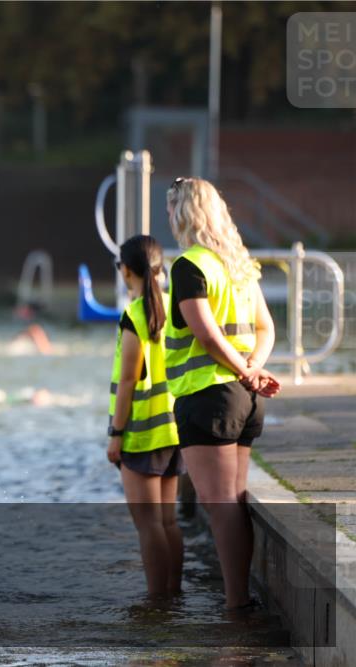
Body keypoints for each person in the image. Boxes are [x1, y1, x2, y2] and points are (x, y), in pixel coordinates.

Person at [164, 177, 280, 609]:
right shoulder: (238, 265)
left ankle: (236, 604)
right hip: (245, 400)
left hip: (207, 398)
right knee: (234, 499)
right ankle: (240, 599)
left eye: (172, 209)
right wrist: (252, 370)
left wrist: (242, 371)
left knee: (221, 506)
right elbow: (267, 328)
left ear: (182, 214)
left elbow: (207, 337)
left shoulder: (189, 265)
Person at [106, 235, 183, 599]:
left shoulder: (135, 315)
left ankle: (156, 604)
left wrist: (115, 434)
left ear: (126, 270)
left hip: (141, 433)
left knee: (148, 524)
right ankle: (174, 594)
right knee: (168, 521)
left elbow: (127, 381)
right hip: (174, 428)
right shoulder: (175, 306)